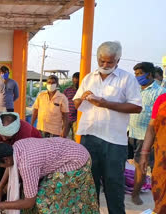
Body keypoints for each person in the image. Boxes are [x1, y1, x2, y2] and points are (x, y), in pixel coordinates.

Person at [73, 41, 142, 214]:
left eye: (109, 62)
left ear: (118, 60)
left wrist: (105, 104)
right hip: (89, 136)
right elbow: (76, 102)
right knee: (89, 184)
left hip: (114, 140)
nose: (104, 65)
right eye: (101, 61)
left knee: (114, 184)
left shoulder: (127, 79)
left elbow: (136, 107)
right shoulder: (89, 77)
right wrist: (82, 98)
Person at [0, 138, 99, 214]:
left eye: (1, 164)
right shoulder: (16, 147)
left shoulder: (27, 164)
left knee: (44, 198)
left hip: (76, 161)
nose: (3, 167)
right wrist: (0, 187)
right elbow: (10, 166)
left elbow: (29, 202)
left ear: (5, 159)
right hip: (70, 150)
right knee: (30, 190)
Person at [128, 62, 166, 205]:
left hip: (145, 136)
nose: (137, 77)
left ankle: (136, 194)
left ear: (149, 75)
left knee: (141, 165)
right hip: (130, 132)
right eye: (136, 74)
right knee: (130, 163)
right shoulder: (135, 89)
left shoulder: (160, 93)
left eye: (140, 74)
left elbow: (155, 121)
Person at [139, 93, 166, 214]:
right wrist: (144, 154)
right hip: (162, 162)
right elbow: (151, 127)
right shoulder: (162, 99)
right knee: (161, 199)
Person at [64, 72, 79, 140]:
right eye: (75, 80)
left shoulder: (83, 90)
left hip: (77, 119)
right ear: (72, 80)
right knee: (63, 136)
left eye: (77, 81)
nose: (76, 82)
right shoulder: (67, 90)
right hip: (67, 117)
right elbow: (62, 102)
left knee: (76, 138)